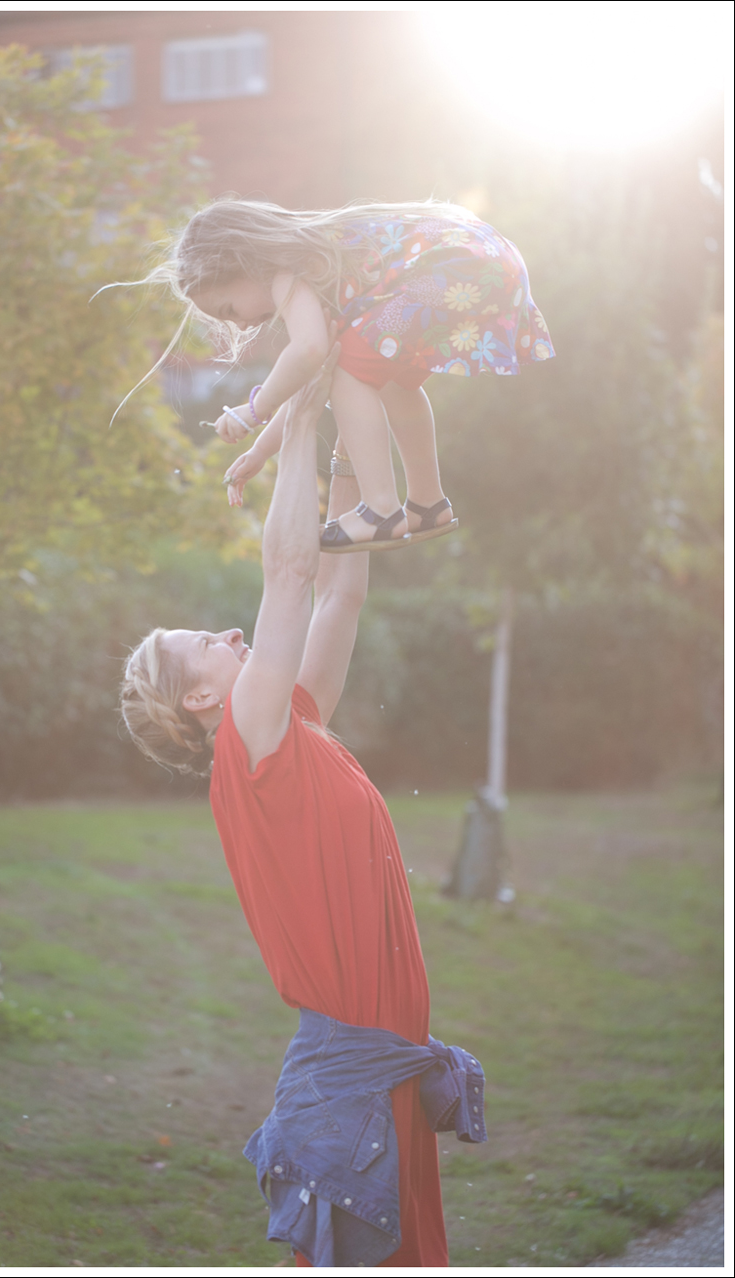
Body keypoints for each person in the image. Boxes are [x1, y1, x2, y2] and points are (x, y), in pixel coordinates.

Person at [120, 345, 482, 1267]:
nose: (228, 630)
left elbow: (340, 589)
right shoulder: (248, 747)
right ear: (201, 699)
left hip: (382, 1035)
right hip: (361, 1045)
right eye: (206, 641)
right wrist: (300, 412)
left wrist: (347, 445)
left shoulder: (293, 724)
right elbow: (287, 576)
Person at [133, 197, 554, 550]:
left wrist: (252, 410)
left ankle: (381, 510)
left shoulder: (284, 272)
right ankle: (427, 505)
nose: (240, 325)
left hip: (453, 269)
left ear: (242, 262)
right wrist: (260, 451)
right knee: (389, 382)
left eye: (229, 309)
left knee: (351, 374)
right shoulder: (319, 267)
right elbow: (314, 372)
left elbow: (310, 353)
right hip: (483, 261)